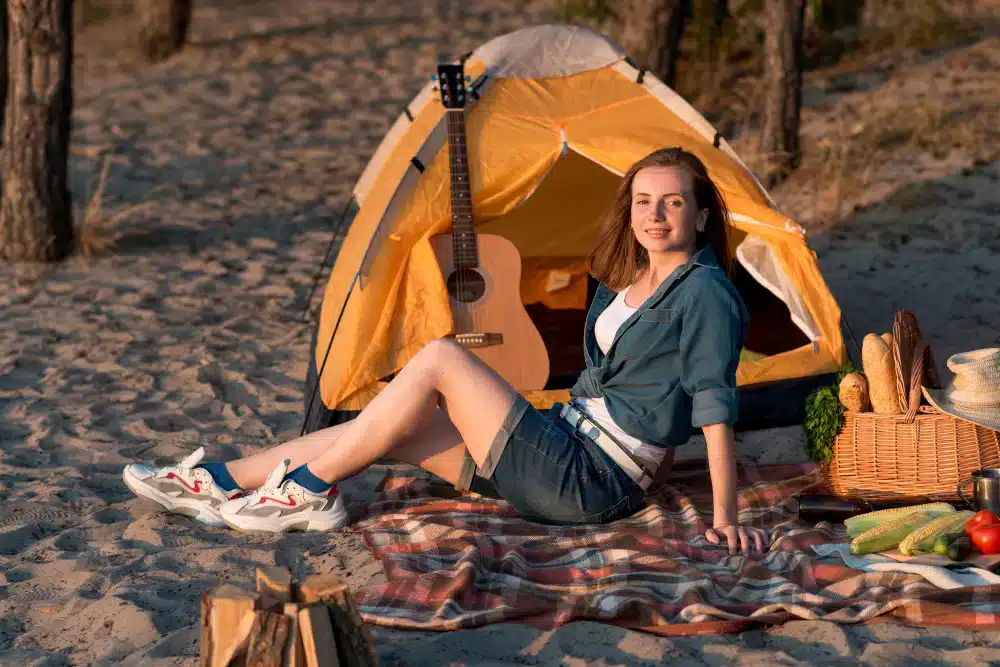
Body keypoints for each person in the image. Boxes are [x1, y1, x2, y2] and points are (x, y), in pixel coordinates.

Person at [122, 147, 770, 556]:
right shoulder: (634, 276)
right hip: (559, 443)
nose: (656, 214)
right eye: (644, 201)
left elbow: (716, 409)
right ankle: (217, 481)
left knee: (438, 357)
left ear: (701, 215)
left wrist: (724, 519)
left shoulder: (705, 292)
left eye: (673, 202)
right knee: (382, 428)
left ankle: (310, 490)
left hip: (590, 478)